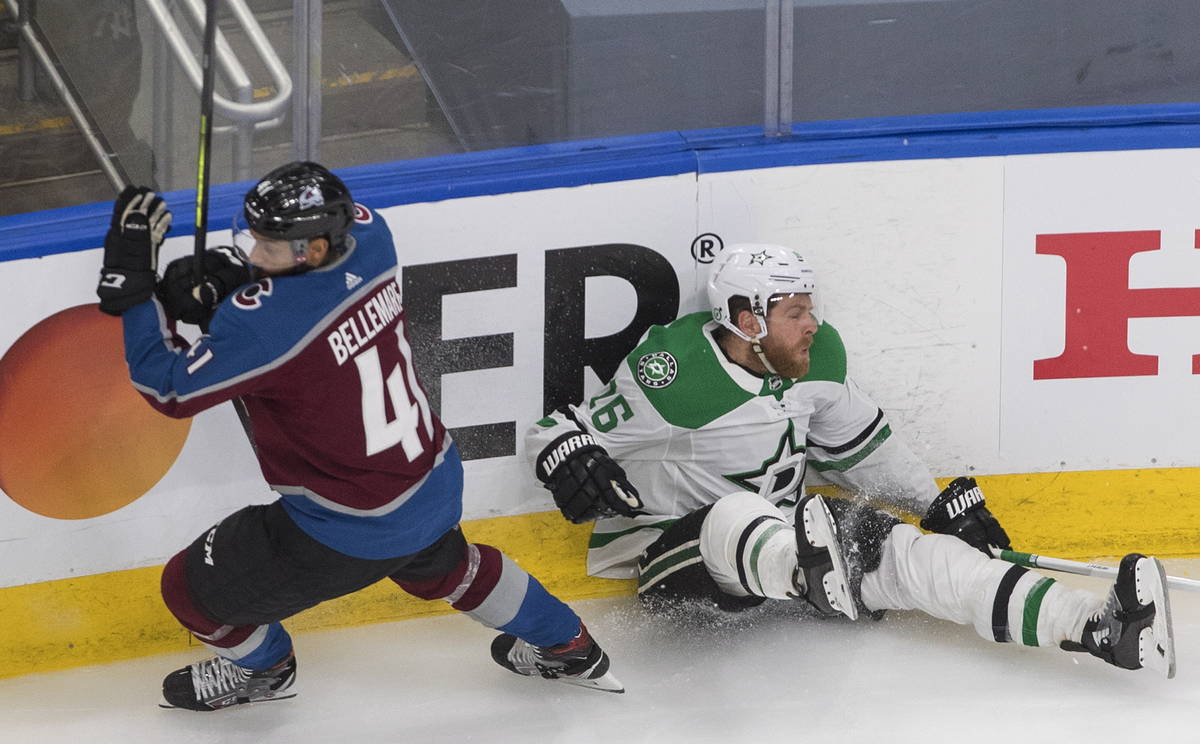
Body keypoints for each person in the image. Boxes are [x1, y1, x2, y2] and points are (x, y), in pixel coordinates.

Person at [95, 162, 623, 710]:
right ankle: (570, 645)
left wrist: (136, 292)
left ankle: (266, 670)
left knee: (187, 591)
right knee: (444, 566)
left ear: (316, 249)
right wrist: (245, 284)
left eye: (268, 247)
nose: (254, 254)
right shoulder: (372, 235)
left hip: (345, 526)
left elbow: (170, 391)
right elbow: (302, 309)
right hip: (429, 480)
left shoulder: (265, 325)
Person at [526, 243, 1176, 678]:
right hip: (679, 567)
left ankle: (1092, 626)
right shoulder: (677, 374)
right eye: (795, 311)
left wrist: (934, 505)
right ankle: (805, 569)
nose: (813, 323)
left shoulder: (820, 360)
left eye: (811, 308)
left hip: (803, 550)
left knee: (921, 558)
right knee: (739, 513)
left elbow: (864, 447)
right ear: (745, 318)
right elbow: (561, 428)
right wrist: (566, 451)